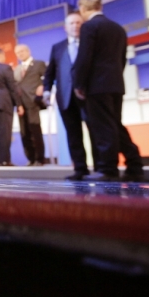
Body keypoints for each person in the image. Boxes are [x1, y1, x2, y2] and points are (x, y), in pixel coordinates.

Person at [72, 0, 144, 181]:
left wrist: (79, 83)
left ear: (83, 8)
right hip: (115, 84)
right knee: (115, 125)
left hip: (97, 87)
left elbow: (84, 58)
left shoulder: (89, 27)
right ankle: (134, 164)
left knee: (104, 128)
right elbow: (122, 59)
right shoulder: (118, 28)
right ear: (100, 7)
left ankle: (108, 169)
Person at [42, 12, 97, 180]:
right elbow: (50, 72)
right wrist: (46, 90)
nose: (75, 26)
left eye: (78, 23)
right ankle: (80, 169)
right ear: (65, 27)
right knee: (73, 135)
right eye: (72, 23)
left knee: (95, 132)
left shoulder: (91, 44)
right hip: (66, 98)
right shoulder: (57, 48)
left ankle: (101, 167)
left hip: (89, 96)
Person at [13, 44, 47, 166]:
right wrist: (18, 104)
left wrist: (42, 86)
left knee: (35, 130)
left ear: (28, 51)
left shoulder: (38, 64)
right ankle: (31, 158)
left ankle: (39, 158)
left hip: (33, 102)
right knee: (24, 132)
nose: (20, 54)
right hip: (21, 104)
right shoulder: (17, 70)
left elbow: (47, 77)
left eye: (22, 51)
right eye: (17, 53)